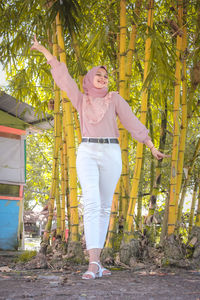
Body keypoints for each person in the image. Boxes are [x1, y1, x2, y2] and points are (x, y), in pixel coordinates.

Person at [31, 35, 168, 280]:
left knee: (105, 208)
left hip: (112, 153)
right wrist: (44, 51)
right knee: (93, 203)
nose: (103, 79)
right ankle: (93, 263)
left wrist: (150, 145)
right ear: (89, 78)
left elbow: (131, 121)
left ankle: (99, 263)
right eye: (99, 76)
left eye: (106, 77)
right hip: (87, 151)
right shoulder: (81, 99)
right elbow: (64, 79)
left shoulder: (114, 98)